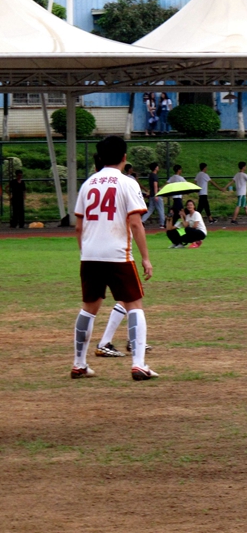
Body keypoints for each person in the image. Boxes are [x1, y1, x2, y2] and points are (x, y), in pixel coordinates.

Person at [71, 135, 157, 381]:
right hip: (118, 254)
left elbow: (79, 226)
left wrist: (85, 251)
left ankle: (79, 363)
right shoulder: (127, 182)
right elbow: (135, 223)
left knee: (89, 308)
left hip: (89, 256)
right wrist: (146, 258)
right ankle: (139, 364)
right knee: (134, 305)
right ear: (124, 157)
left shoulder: (88, 184)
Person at [141, 162, 165, 228]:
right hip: (156, 194)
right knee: (160, 209)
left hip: (151, 195)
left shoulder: (151, 175)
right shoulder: (155, 175)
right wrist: (156, 194)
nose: (158, 167)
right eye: (157, 166)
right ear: (155, 168)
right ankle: (162, 224)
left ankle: (142, 220)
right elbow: (155, 185)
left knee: (150, 209)